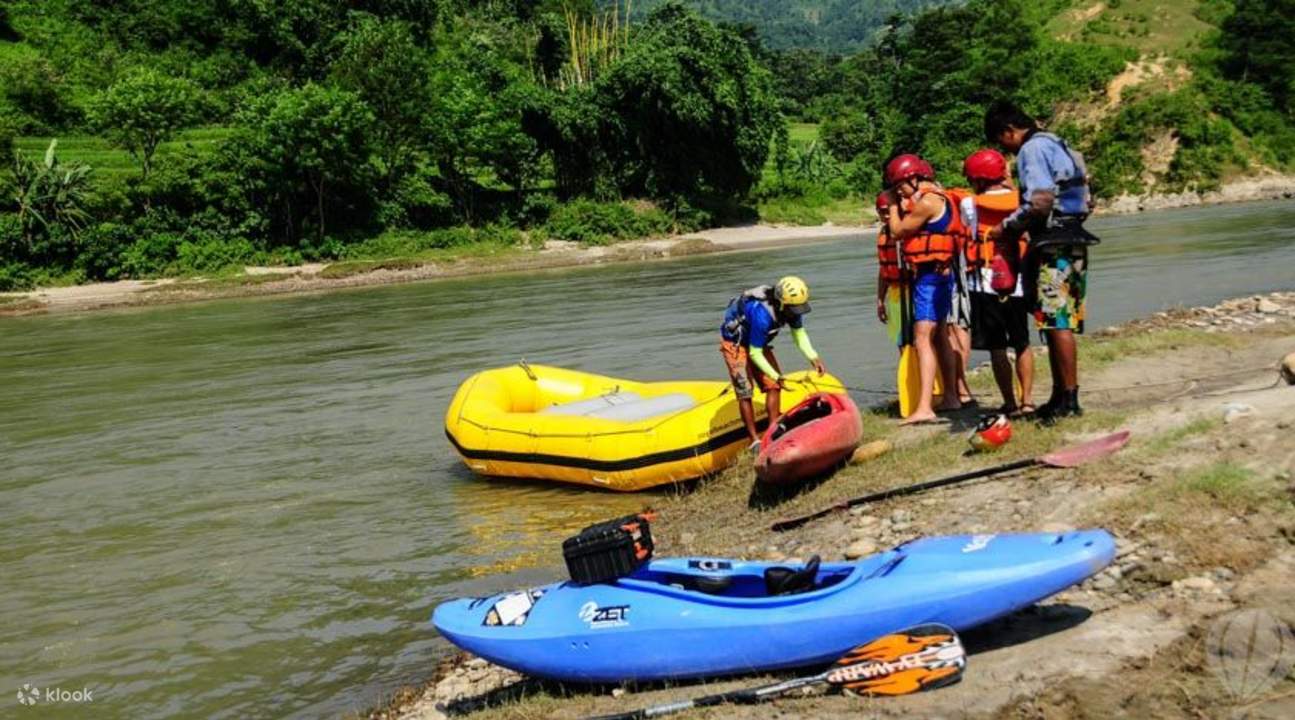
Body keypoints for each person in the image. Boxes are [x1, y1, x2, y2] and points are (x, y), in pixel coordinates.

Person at [984, 101, 1098, 421]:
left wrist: (1004, 228)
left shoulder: (1031, 151)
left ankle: (1070, 401)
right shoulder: (1061, 144)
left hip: (1053, 244)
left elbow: (1040, 203)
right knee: (1061, 318)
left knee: (1056, 319)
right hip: (1075, 237)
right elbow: (1087, 197)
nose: (1005, 150)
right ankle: (1060, 396)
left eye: (1001, 141)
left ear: (1009, 131)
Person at [882, 153, 965, 424]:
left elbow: (897, 231)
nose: (899, 192)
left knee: (922, 338)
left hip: (930, 278)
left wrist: (894, 206)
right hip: (941, 274)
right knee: (940, 335)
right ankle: (951, 397)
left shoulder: (927, 202)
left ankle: (925, 407)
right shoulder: (938, 196)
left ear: (914, 178)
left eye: (901, 186)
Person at [959, 148, 1035, 416]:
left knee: (997, 347)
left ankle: (1009, 403)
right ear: (1002, 173)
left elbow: (968, 232)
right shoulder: (1023, 200)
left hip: (985, 284)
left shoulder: (969, 205)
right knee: (1022, 342)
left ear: (977, 178)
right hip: (1019, 282)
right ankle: (1027, 401)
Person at [720, 276, 828, 451]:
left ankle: (773, 430)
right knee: (745, 391)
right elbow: (755, 353)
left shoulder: (791, 310)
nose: (797, 312)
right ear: (781, 304)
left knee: (773, 386)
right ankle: (753, 440)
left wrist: (813, 357)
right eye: (794, 309)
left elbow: (799, 335)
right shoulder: (761, 314)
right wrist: (776, 375)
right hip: (735, 343)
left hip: (756, 342)